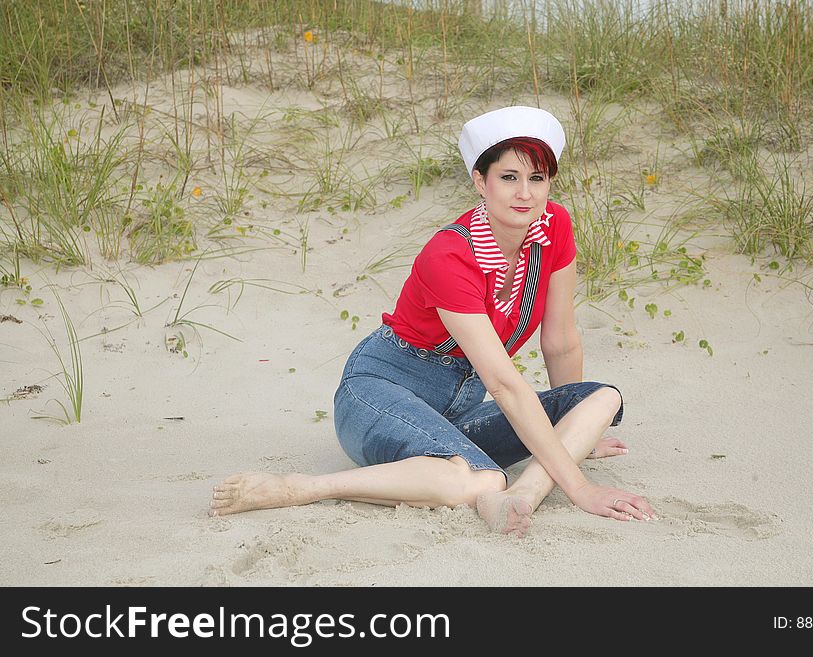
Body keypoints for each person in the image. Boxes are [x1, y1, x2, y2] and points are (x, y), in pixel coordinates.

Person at [210, 106, 654, 536]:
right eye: (509, 178)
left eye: (537, 179)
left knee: (601, 399)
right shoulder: (450, 255)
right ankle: (304, 487)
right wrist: (580, 487)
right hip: (382, 392)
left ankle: (521, 495)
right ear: (480, 181)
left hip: (458, 409)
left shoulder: (554, 226)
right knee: (479, 479)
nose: (525, 193)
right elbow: (502, 383)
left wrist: (575, 440)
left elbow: (559, 341)